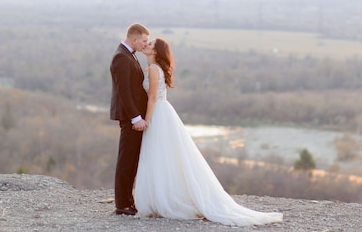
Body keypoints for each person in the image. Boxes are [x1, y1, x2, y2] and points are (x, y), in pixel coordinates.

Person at [134, 37, 283, 226]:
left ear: (156, 51)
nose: (146, 45)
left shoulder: (154, 69)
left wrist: (146, 120)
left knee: (159, 155)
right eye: (146, 43)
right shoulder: (152, 68)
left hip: (158, 115)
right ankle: (162, 198)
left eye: (150, 44)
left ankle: (165, 199)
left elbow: (153, 97)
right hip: (163, 113)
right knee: (163, 156)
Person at [110, 23, 151, 216]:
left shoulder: (129, 55)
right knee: (126, 160)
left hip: (135, 117)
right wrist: (135, 118)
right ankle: (122, 204)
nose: (145, 44)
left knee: (132, 159)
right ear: (134, 39)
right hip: (129, 118)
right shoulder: (121, 57)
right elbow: (124, 91)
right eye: (143, 40)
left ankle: (128, 201)